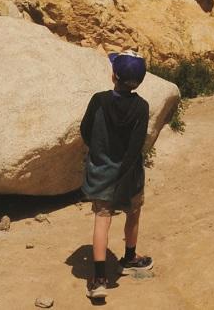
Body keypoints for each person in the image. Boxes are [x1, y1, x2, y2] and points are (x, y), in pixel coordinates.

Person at [80, 50, 154, 299]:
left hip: (102, 172)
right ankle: (130, 257)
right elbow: (137, 144)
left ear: (114, 75)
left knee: (102, 220)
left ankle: (99, 280)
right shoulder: (142, 107)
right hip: (129, 173)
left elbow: (85, 131)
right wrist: (125, 172)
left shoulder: (98, 100)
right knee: (133, 213)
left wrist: (99, 153)